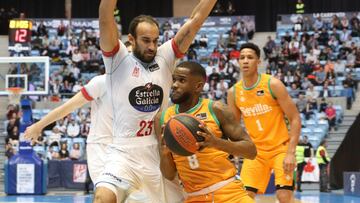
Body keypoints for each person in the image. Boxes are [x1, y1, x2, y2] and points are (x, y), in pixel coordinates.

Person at [96, 0, 218, 202]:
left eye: (155, 40)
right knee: (103, 197)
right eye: (145, 40)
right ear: (131, 39)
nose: (152, 46)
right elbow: (105, 16)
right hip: (123, 153)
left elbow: (196, 21)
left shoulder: (165, 56)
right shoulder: (117, 59)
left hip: (161, 149)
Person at [24, 74, 148, 201]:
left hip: (129, 148)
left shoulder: (144, 85)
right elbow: (67, 107)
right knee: (105, 196)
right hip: (102, 147)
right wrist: (39, 126)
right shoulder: (101, 82)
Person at [155, 61, 256, 203]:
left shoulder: (216, 109)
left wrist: (215, 142)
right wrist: (165, 152)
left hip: (229, 193)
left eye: (182, 80)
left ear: (198, 86)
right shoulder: (162, 119)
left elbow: (251, 151)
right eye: (174, 79)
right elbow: (169, 174)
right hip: (194, 197)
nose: (174, 85)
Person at [227, 43, 301, 203]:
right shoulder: (233, 92)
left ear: (258, 62)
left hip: (280, 150)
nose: (245, 61)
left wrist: (290, 152)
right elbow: (232, 127)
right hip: (255, 152)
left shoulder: (272, 84)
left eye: (250, 57)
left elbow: (295, 118)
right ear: (238, 62)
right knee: (244, 198)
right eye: (242, 58)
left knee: (284, 196)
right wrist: (231, 150)